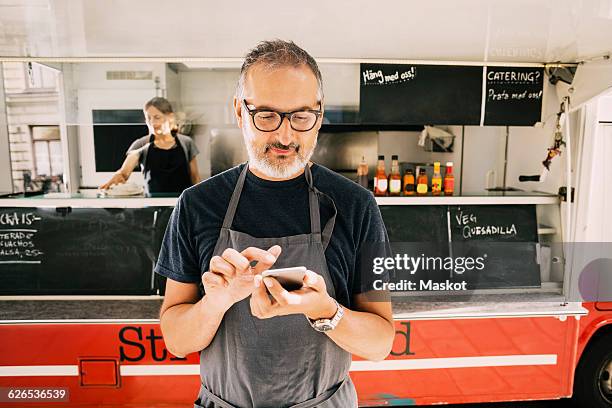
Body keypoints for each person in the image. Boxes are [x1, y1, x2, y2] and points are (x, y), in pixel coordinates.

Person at [156, 40, 394, 408]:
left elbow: (380, 344)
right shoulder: (196, 205)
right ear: (239, 110)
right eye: (266, 115)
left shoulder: (356, 206)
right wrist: (215, 303)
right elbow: (176, 340)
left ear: (319, 113)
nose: (285, 136)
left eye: (301, 116)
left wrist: (325, 311)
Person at [100, 97, 201, 194]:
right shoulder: (141, 144)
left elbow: (195, 178)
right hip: (153, 206)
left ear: (170, 117)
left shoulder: (186, 143)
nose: (152, 122)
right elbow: (124, 173)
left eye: (157, 117)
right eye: (148, 118)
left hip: (182, 204)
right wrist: (118, 177)